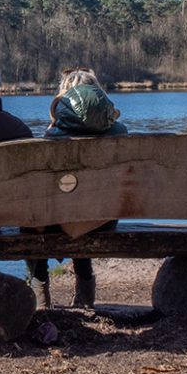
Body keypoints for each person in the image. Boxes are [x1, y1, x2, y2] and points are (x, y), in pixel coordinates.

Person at [26, 68, 127, 310]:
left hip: (62, 220)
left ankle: (40, 295)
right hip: (104, 220)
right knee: (86, 209)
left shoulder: (53, 136)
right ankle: (85, 294)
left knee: (37, 219)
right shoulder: (120, 133)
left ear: (65, 98)